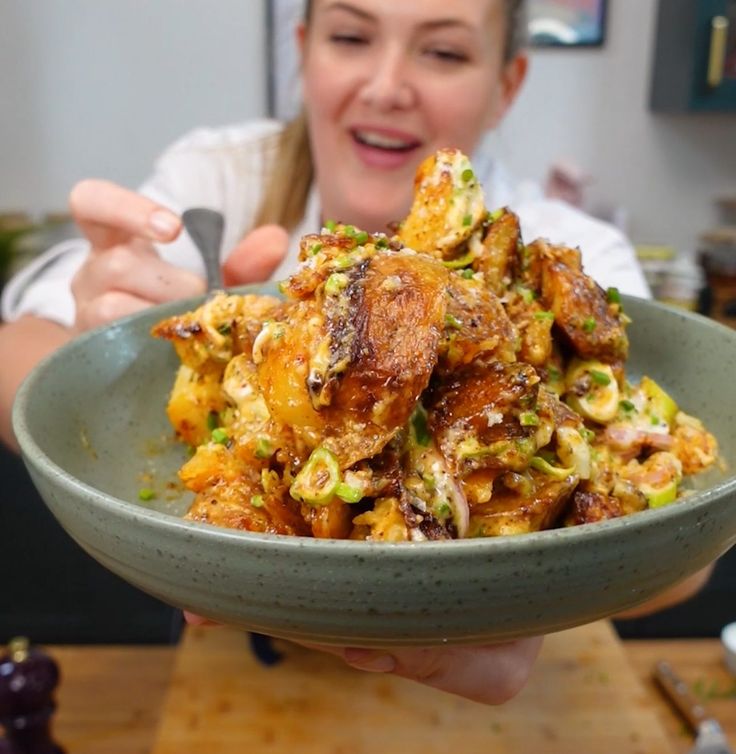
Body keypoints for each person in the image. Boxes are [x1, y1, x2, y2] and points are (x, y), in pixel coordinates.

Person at [0, 0, 707, 705]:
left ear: (508, 82)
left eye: (443, 52)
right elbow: (18, 368)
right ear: (304, 53)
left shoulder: (575, 251)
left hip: (532, 697)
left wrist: (550, 585)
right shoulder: (215, 179)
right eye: (351, 36)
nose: (387, 85)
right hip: (237, 682)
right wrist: (96, 334)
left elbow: (682, 556)